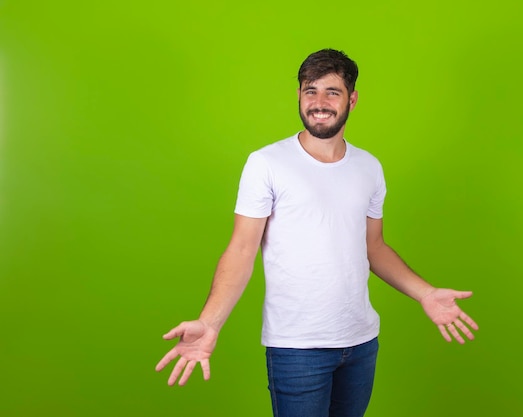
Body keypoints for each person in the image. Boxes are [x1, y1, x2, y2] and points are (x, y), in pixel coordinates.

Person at [156, 48, 479, 417]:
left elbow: (374, 247)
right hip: (297, 348)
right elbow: (242, 250)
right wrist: (209, 321)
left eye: (332, 92)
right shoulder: (266, 164)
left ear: (352, 100)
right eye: (310, 91)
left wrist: (425, 294)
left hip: (361, 342)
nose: (319, 102)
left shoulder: (369, 167)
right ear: (298, 95)